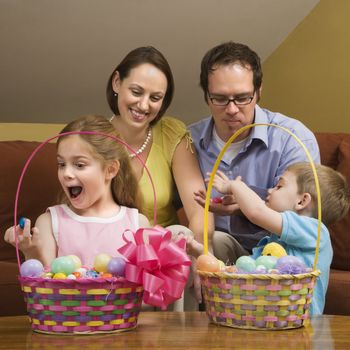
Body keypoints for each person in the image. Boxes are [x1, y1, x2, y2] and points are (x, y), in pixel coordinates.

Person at [189, 41, 320, 264]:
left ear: (258, 92)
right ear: (206, 96)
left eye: (242, 98)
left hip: (277, 257)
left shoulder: (292, 139)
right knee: (202, 242)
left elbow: (303, 221)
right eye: (220, 99)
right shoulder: (188, 141)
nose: (231, 109)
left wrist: (243, 208)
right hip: (216, 251)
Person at [106, 46, 214, 308]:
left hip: (166, 254)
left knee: (180, 234)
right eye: (136, 92)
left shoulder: (170, 133)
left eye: (156, 98)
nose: (144, 105)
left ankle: (180, 338)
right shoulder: (95, 138)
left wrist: (202, 255)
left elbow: (200, 209)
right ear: (117, 82)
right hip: (115, 252)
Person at [195, 162, 350, 314]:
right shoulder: (274, 240)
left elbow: (257, 212)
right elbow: (242, 271)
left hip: (299, 320)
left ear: (302, 201)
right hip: (270, 317)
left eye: (279, 186)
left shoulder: (316, 231)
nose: (270, 190)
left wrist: (235, 186)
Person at [4, 115, 150, 267]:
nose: (66, 173)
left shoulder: (137, 224)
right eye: (61, 164)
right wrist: (31, 252)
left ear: (110, 170)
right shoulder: (49, 223)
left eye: (79, 165)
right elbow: (43, 286)